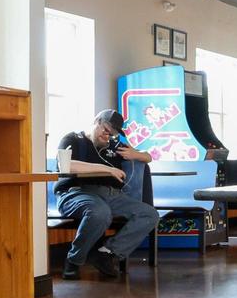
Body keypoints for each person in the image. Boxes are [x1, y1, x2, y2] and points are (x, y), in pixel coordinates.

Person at [55, 109, 159, 280]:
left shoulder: (114, 146)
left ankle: (107, 253)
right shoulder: (73, 139)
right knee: (100, 213)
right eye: (105, 130)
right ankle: (73, 261)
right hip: (76, 193)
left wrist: (135, 154)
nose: (108, 136)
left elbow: (148, 157)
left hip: (111, 195)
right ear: (96, 121)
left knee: (149, 214)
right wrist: (108, 169)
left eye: (113, 133)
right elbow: (67, 165)